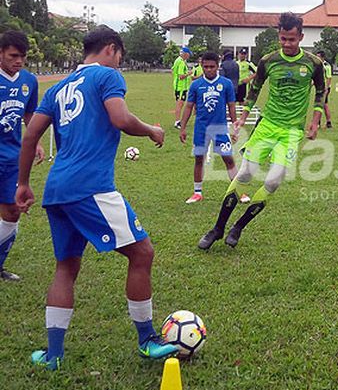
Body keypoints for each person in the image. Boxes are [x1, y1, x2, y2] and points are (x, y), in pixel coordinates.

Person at [15, 26, 177, 370]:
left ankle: (53, 355)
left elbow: (30, 135)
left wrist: (23, 184)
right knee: (142, 252)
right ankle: (147, 340)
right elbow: (119, 118)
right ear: (111, 49)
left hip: (56, 190)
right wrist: (151, 130)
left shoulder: (58, 87)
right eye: (119, 56)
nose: (119, 62)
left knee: (66, 266)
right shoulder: (106, 76)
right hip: (90, 187)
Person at [197, 12, 325, 250]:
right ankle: (217, 228)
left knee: (274, 181)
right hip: (266, 126)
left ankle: (238, 227)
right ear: (279, 36)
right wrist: (243, 118)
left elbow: (320, 92)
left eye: (292, 39)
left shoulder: (313, 64)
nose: (287, 44)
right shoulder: (268, 60)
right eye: (284, 39)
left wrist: (316, 121)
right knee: (244, 175)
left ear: (301, 37)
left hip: (291, 132)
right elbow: (254, 90)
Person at [0, 30, 44, 281]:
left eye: (23, 57)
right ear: (1, 53)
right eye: (13, 56)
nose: (18, 61)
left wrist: (34, 141)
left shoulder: (29, 80)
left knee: (12, 212)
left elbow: (29, 115)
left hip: (11, 158)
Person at [179, 51, 238, 204]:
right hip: (201, 129)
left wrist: (234, 127)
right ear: (202, 66)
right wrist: (183, 127)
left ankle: (237, 191)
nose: (209, 70)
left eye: (212, 67)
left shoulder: (226, 84)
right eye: (206, 67)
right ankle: (197, 192)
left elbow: (231, 106)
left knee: (228, 159)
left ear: (217, 66)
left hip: (220, 128)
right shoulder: (196, 85)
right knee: (199, 159)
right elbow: (188, 107)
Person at [172, 46, 192, 129]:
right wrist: (189, 73)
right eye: (188, 54)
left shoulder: (178, 60)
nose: (189, 56)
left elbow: (172, 70)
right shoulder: (181, 62)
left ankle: (178, 121)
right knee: (179, 104)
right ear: (185, 54)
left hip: (179, 86)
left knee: (179, 103)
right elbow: (181, 76)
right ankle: (177, 122)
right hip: (180, 87)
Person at [317, 50, 333, 129]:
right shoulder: (317, 65)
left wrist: (326, 88)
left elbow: (329, 77)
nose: (317, 58)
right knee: (324, 105)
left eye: (318, 56)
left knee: (320, 105)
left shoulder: (326, 65)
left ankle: (318, 123)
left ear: (322, 57)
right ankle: (328, 122)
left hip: (325, 88)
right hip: (319, 87)